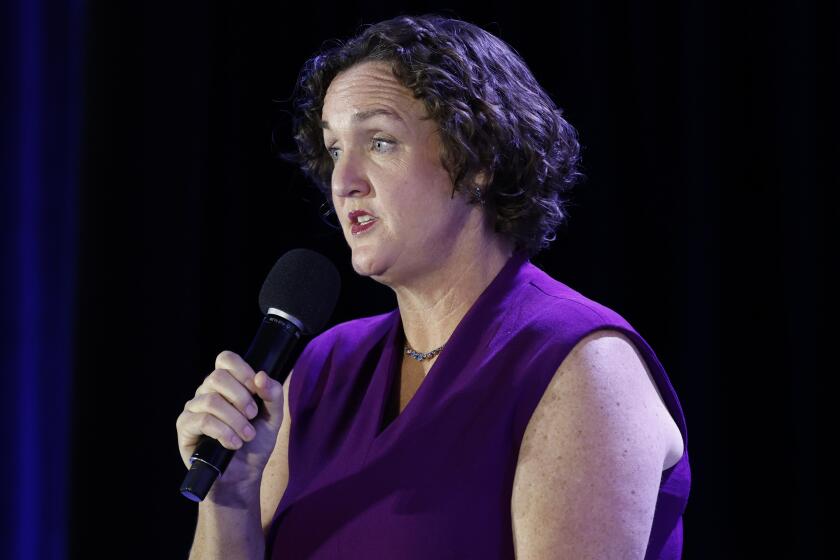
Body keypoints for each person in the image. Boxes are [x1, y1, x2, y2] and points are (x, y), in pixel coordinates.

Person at [176, 14, 691, 559]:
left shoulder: (582, 366)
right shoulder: (323, 369)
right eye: (333, 150)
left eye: (379, 142)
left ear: (477, 161)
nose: (344, 181)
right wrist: (229, 496)